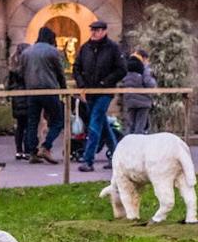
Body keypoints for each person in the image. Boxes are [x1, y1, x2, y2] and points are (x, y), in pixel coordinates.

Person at [73, 19, 127, 172]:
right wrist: (81, 84)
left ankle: (88, 160)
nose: (94, 33)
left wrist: (105, 82)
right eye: (92, 30)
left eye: (97, 30)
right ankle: (117, 156)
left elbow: (121, 69)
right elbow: (76, 67)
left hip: (104, 92)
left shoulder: (113, 48)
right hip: (89, 92)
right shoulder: (85, 48)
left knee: (95, 122)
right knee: (102, 124)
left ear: (104, 31)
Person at [22, 27, 67, 165]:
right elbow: (60, 73)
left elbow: (21, 71)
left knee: (32, 122)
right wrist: (63, 89)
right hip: (49, 90)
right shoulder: (53, 52)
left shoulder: (26, 52)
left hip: (31, 91)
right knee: (59, 120)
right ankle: (46, 147)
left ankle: (32, 152)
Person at [6, 43, 31, 160]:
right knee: (28, 125)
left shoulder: (13, 68)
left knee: (20, 126)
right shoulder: (27, 68)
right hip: (27, 96)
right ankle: (27, 150)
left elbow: (9, 85)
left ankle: (18, 151)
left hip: (17, 99)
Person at [120, 55, 156, 135]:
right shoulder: (144, 71)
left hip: (130, 102)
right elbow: (150, 84)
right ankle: (138, 143)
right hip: (143, 102)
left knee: (131, 124)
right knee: (140, 125)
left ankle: (129, 141)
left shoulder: (126, 75)